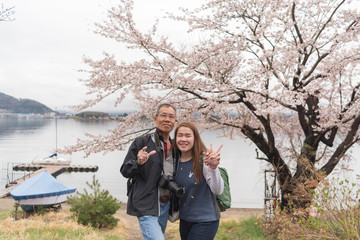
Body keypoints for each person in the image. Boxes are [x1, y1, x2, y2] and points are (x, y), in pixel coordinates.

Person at [120, 103, 177, 240]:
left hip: (165, 204)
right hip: (146, 203)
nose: (167, 119)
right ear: (155, 119)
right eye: (163, 115)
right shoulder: (143, 142)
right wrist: (138, 163)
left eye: (171, 116)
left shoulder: (176, 146)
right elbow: (125, 170)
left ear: (175, 121)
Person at [173, 121, 224, 240]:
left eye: (188, 135)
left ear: (195, 138)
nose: (183, 139)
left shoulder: (204, 160)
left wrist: (213, 167)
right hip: (185, 220)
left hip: (206, 220)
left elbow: (218, 190)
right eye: (179, 135)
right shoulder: (174, 161)